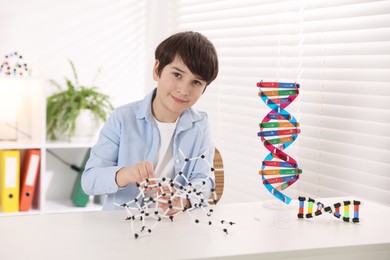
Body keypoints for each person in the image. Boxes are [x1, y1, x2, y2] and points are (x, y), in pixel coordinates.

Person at [81, 31, 219, 214]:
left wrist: (183, 199)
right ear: (157, 70)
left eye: (196, 82)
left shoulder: (200, 123)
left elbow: (204, 181)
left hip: (175, 228)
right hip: (122, 227)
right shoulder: (123, 118)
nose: (184, 90)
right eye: (177, 75)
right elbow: (89, 181)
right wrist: (126, 173)